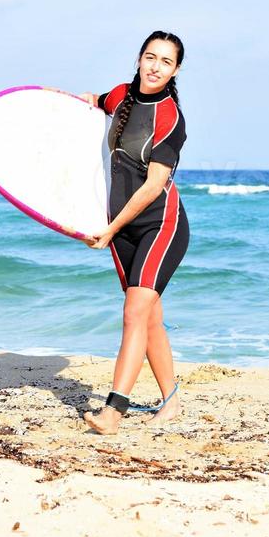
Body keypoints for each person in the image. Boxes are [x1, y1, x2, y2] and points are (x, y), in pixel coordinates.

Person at [78, 31, 190, 436]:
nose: (155, 66)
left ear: (176, 70)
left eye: (165, 61)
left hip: (160, 225)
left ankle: (113, 412)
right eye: (150, 56)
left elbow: (152, 186)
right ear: (140, 58)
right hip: (122, 227)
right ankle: (171, 401)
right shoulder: (121, 95)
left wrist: (109, 229)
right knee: (150, 318)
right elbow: (93, 103)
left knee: (133, 313)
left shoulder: (170, 119)